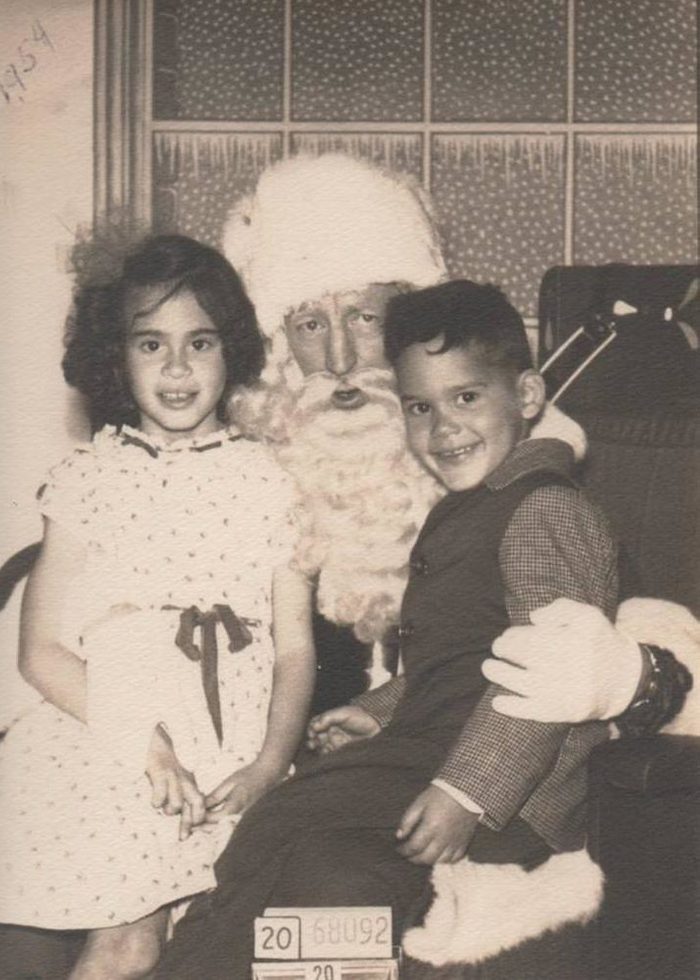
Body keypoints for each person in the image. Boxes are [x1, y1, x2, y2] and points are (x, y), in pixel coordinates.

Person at [154, 276, 623, 980]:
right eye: (419, 408)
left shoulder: (542, 508)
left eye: (467, 398)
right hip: (434, 750)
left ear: (526, 397)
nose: (445, 428)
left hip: (511, 790)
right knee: (321, 859)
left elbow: (547, 682)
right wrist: (377, 711)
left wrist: (467, 794)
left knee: (283, 817)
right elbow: (463, 658)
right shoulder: (467, 506)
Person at [0, 235, 315, 979]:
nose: (177, 367)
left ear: (230, 350)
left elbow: (295, 648)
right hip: (113, 736)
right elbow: (39, 650)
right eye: (151, 343)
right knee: (126, 945)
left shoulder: (275, 479)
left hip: (231, 749)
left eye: (199, 342)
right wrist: (145, 745)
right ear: (117, 357)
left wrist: (272, 761)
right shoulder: (90, 479)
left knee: (181, 952)